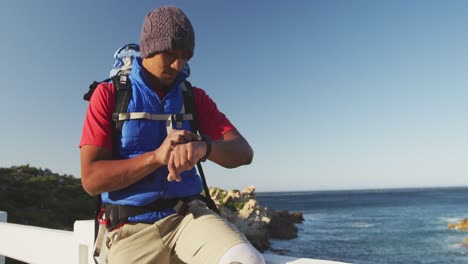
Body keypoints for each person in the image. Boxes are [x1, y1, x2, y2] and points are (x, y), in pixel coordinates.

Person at [80, 5, 265, 264]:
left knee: (246, 260)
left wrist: (204, 147)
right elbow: (91, 180)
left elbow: (244, 152)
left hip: (188, 217)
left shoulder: (193, 96)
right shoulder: (109, 95)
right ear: (148, 49)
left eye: (186, 56)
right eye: (169, 54)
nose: (178, 64)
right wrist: (156, 157)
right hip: (131, 228)